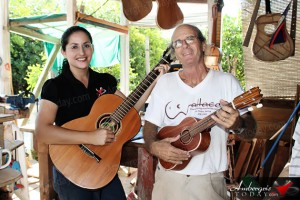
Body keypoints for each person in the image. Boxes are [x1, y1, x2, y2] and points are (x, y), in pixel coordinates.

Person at [35, 26, 169, 200]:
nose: (82, 52)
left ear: (92, 48)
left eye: (86, 45)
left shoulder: (104, 81)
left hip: (104, 165)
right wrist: (91, 137)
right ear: (63, 52)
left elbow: (130, 109)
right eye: (74, 47)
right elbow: (42, 132)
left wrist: (154, 80)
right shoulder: (55, 87)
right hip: (71, 168)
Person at [143, 24, 257, 200]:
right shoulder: (165, 82)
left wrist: (238, 124)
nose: (185, 46)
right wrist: (153, 146)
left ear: (203, 45)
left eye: (190, 39)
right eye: (178, 43)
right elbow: (150, 126)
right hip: (168, 179)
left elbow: (251, 131)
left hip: (208, 183)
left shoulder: (227, 82)